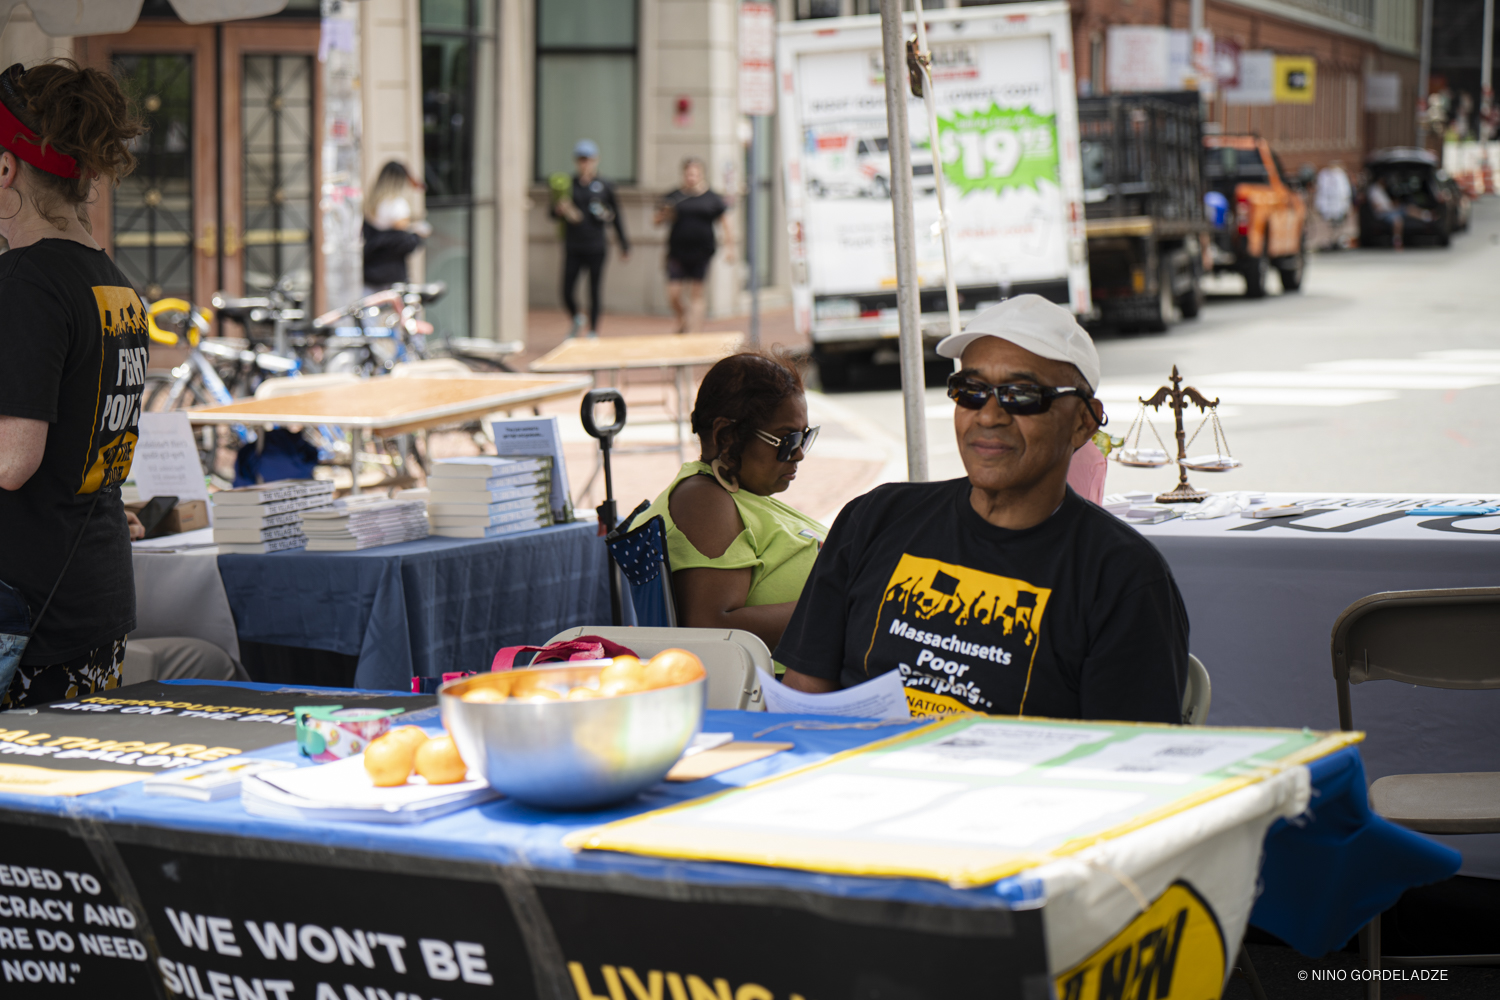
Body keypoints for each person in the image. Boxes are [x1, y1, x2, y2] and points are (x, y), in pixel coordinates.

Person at [776, 295, 1189, 723]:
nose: (988, 416)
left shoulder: (1122, 576)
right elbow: (803, 700)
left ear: (1083, 421)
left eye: (1021, 395)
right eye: (971, 391)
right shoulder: (875, 518)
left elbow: (1128, 754)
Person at [0, 60, 150, 708]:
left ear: (5, 169)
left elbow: (12, 461)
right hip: (89, 592)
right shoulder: (112, 282)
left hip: (26, 614)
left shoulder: (24, 282)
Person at [628, 353, 825, 652]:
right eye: (787, 441)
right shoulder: (703, 502)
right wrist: (839, 603)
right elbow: (713, 628)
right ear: (726, 435)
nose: (799, 454)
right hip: (777, 679)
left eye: (804, 437)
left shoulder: (740, 495)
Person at [552, 139, 629, 337]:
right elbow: (552, 213)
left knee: (594, 289)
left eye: (588, 159)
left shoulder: (605, 185)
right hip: (573, 244)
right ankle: (577, 317)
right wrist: (560, 210)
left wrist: (624, 244)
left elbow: (616, 215)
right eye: (581, 159)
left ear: (596, 160)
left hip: (596, 245)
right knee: (566, 290)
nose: (585, 163)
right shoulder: (569, 184)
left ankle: (593, 329)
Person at [655, 157, 733, 333]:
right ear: (683, 174)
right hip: (677, 252)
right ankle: (683, 316)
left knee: (697, 294)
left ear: (701, 174)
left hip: (702, 252)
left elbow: (726, 223)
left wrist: (730, 248)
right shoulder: (674, 197)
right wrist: (663, 214)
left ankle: (695, 332)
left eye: (695, 174)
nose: (691, 178)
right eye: (688, 174)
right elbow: (656, 221)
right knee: (673, 294)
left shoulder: (712, 198)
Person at [362, 160, 428, 292]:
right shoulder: (397, 205)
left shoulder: (371, 203)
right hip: (391, 276)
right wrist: (417, 233)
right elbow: (402, 236)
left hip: (369, 274)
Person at [1365, 176, 1431, 251]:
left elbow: (1387, 204)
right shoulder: (1373, 190)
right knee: (1398, 220)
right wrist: (1390, 207)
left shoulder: (1381, 189)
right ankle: (1397, 242)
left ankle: (1427, 216)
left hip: (1391, 210)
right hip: (1384, 214)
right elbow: (1377, 207)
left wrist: (1394, 205)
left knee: (1408, 208)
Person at [1314, 160, 1352, 250]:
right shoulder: (1324, 175)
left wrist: (1346, 206)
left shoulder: (1340, 175)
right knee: (1329, 225)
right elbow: (1321, 191)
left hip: (1338, 205)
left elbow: (1345, 192)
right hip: (1328, 205)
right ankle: (1330, 241)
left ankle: (1337, 240)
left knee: (1338, 224)